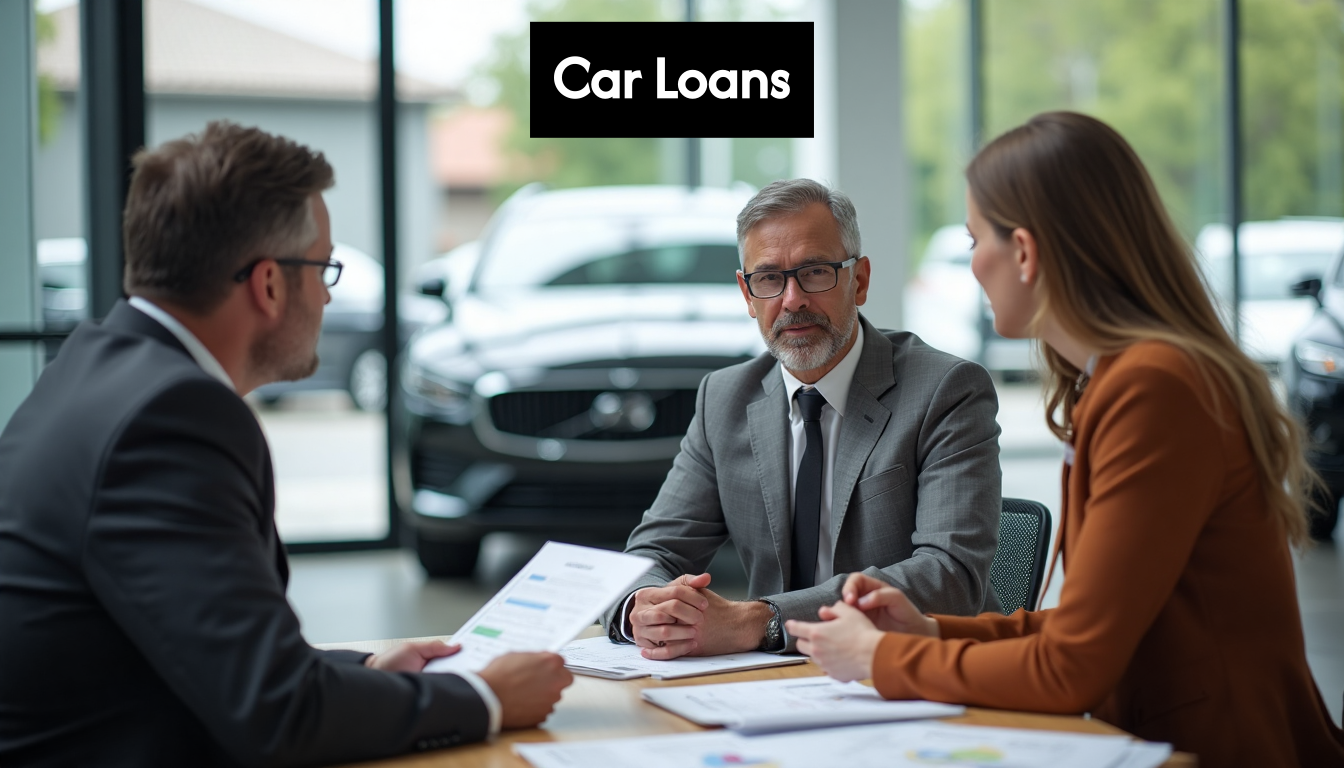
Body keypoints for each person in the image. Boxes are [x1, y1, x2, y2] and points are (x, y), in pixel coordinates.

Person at [0, 121, 572, 767]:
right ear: (269, 284)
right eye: (324, 267)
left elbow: (203, 647)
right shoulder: (171, 416)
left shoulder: (92, 366)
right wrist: (483, 697)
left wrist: (369, 671)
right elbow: (277, 712)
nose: (328, 294)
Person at [787, 112, 1344, 767]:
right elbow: (1093, 629)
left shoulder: (1154, 388)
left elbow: (1070, 668)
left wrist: (881, 658)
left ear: (1023, 251)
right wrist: (929, 630)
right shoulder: (1125, 378)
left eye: (974, 240)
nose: (971, 266)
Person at [600, 178, 1003, 658]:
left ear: (860, 280)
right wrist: (641, 609)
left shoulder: (946, 390)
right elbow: (655, 551)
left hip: (909, 673)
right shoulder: (724, 398)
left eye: (814, 272)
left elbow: (949, 576)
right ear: (747, 295)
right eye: (769, 278)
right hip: (769, 686)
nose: (792, 300)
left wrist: (763, 620)